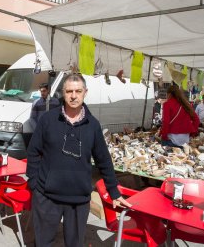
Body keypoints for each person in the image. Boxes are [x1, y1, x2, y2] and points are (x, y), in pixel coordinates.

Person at [26, 73, 131, 246]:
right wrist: (34, 183)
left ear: (85, 92)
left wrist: (114, 190)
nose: (73, 96)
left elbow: (103, 159)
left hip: (78, 199)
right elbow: (33, 152)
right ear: (63, 92)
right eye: (69, 91)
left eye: (78, 91)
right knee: (42, 243)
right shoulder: (47, 120)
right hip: (47, 196)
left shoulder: (93, 125)